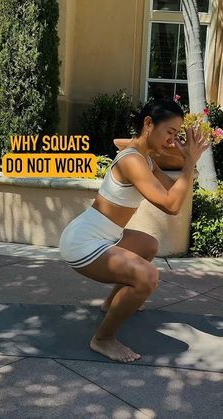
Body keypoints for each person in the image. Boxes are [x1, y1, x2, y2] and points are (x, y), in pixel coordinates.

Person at [59, 99, 209, 363]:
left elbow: (172, 191)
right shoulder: (132, 161)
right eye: (170, 133)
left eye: (177, 135)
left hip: (107, 236)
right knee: (148, 277)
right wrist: (188, 164)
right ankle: (103, 339)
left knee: (149, 245)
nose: (173, 141)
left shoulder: (145, 160)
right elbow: (171, 206)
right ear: (148, 124)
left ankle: (111, 304)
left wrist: (188, 161)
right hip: (83, 242)